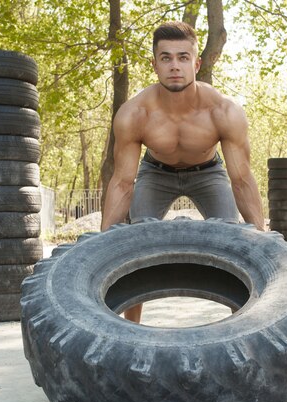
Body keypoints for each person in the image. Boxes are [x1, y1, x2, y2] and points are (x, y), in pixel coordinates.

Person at [101, 21, 265, 323]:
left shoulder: (224, 111)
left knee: (237, 244)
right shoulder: (134, 113)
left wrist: (264, 241)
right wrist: (101, 249)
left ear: (196, 63)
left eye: (182, 57)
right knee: (136, 245)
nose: (174, 66)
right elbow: (123, 182)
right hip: (156, 172)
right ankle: (128, 329)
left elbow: (241, 179)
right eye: (166, 58)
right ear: (154, 64)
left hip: (208, 172)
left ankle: (249, 324)